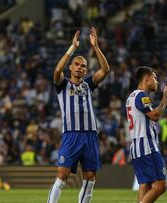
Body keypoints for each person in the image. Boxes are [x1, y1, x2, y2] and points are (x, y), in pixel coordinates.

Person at [47, 27, 110, 203]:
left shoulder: (89, 84)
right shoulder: (62, 85)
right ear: (71, 66)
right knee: (63, 175)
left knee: (90, 178)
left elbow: (105, 70)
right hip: (72, 135)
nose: (80, 68)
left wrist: (96, 47)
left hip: (90, 136)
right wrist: (72, 48)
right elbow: (57, 72)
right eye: (76, 64)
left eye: (83, 66)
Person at [126, 66, 167, 203]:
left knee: (145, 184)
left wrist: (165, 101)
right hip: (147, 145)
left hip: (136, 146)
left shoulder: (131, 97)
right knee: (161, 186)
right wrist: (165, 99)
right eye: (155, 78)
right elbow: (155, 116)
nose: (157, 82)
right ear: (147, 78)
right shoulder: (141, 95)